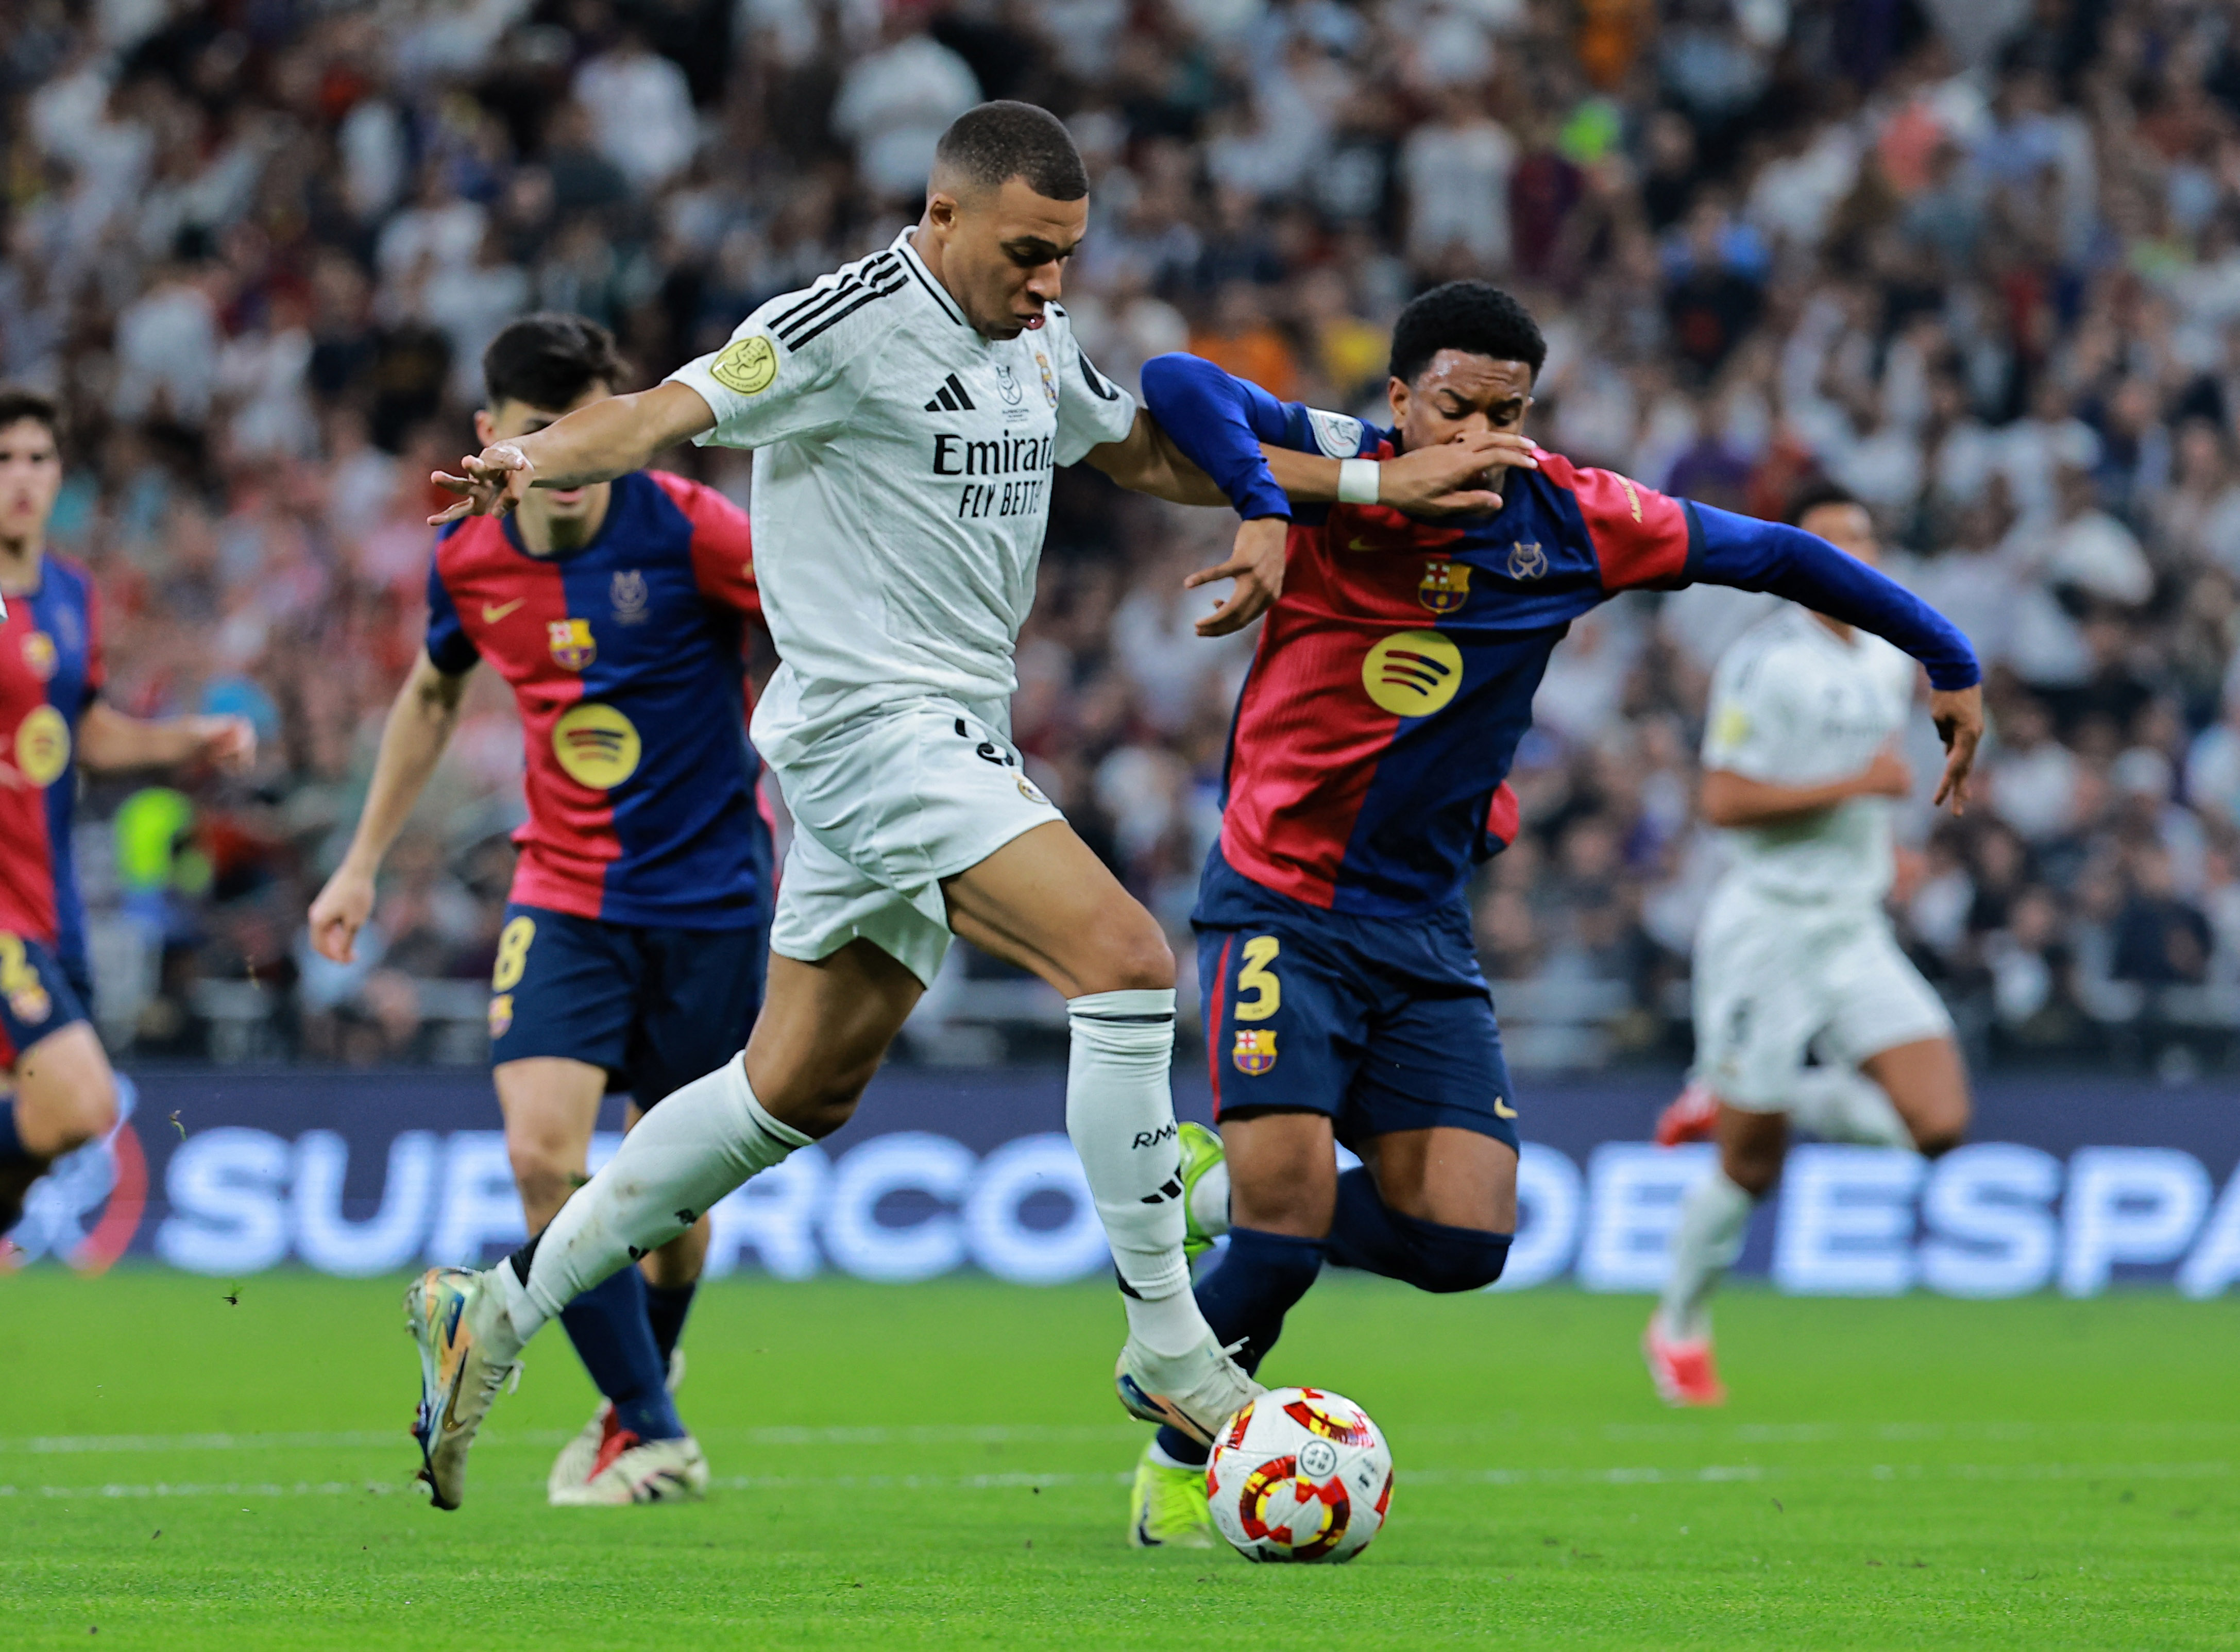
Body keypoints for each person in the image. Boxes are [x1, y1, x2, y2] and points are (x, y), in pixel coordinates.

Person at [392, 101, 1506, 1512]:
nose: (1049, 282)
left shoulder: (1033, 338)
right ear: (944, 219)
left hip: (944, 737)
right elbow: (663, 411)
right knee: (1121, 963)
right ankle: (1173, 1344)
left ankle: (489, 1310)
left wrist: (1364, 481)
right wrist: (533, 461)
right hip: (872, 731)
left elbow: (1145, 453)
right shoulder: (840, 322)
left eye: (1067, 256)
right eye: (1028, 252)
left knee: (783, 1094)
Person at [1122, 282, 1984, 1546]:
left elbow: (1778, 554)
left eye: (1507, 411)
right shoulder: (1338, 464)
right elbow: (1169, 380)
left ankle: (1207, 1194)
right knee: (1285, 1236)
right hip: (1278, 905)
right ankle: (1173, 1460)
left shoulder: (1569, 517)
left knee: (1462, 1237)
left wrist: (1945, 656)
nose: (1480, 433)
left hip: (1420, 931)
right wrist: (1285, 502)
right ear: (1401, 398)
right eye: (1455, 407)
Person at [308, 314, 771, 1504]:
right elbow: (428, 693)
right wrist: (361, 860)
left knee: (671, 1210)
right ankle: (656, 1426)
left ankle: (636, 1411)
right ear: (486, 435)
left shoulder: (693, 528)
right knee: (542, 1157)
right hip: (562, 890)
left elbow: (818, 627)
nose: (556, 466)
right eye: (531, 439)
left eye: (581, 436)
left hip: (709, 900)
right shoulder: (468, 554)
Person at [1644, 480, 1974, 1406]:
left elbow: (1871, 790)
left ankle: (1758, 1090)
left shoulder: (1881, 657)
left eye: (1863, 538)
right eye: (1831, 544)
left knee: (1940, 1124)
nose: (1853, 557)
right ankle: (1676, 1326)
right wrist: (1854, 788)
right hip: (1769, 928)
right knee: (1752, 1168)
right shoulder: (1764, 664)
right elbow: (1723, 801)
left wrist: (1889, 849)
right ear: (1798, 565)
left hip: (1853, 924)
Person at [0, 387, 254, 1242]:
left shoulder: (71, 594)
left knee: (31, 1147)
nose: (22, 479)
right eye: (3, 461)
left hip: (50, 902)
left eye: (37, 459)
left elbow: (87, 735)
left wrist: (190, 737)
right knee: (84, 1104)